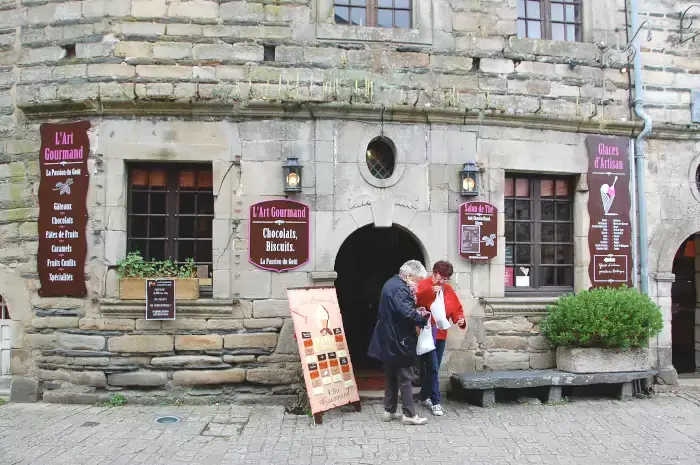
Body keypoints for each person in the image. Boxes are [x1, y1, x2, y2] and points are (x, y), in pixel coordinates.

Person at [367, 260, 431, 426]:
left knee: (391, 376)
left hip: (389, 338)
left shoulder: (392, 283)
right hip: (399, 340)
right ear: (409, 276)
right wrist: (423, 318)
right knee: (405, 377)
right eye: (417, 280)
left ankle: (389, 410)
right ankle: (409, 414)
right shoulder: (400, 288)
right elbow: (407, 312)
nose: (417, 284)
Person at [415, 260, 467, 416]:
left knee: (434, 367)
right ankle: (436, 401)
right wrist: (431, 291)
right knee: (432, 366)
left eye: (446, 279)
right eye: (441, 278)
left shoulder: (448, 290)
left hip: (440, 333)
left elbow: (456, 308)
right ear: (434, 272)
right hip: (425, 331)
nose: (443, 282)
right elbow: (416, 301)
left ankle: (423, 396)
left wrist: (460, 319)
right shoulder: (423, 285)